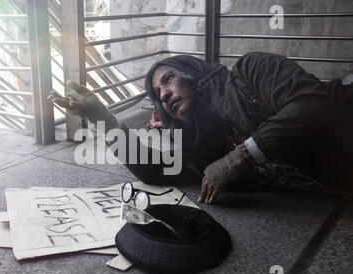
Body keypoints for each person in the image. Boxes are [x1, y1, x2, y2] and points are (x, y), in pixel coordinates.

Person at [48, 51, 353, 204]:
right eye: (158, 97)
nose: (164, 95)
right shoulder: (206, 146)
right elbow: (157, 171)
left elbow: (312, 105)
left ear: (191, 72)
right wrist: (101, 116)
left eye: (168, 79)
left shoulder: (252, 70)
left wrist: (240, 158)